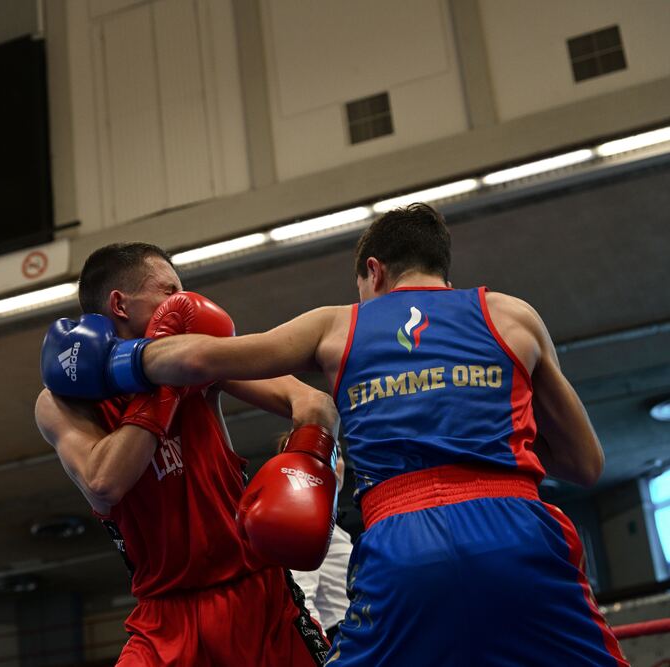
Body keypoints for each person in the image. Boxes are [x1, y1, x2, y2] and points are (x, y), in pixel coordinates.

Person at [64, 206, 628, 666]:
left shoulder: (340, 326)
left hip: (402, 542)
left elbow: (202, 356)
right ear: (444, 270)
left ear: (374, 272)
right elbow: (585, 463)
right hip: (518, 526)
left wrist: (109, 360)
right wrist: (498, 450)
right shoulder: (513, 316)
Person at [35, 242, 335, 666]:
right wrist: (165, 383)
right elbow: (105, 482)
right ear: (120, 304)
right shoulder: (62, 403)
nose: (182, 301)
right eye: (168, 290)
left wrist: (308, 462)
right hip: (165, 620)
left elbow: (312, 402)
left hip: (258, 598)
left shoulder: (201, 360)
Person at [290, 450, 352, 643]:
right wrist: (323, 652)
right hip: (339, 635)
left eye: (338, 454)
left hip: (360, 629)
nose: (333, 463)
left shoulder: (332, 527)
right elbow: (304, 599)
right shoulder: (305, 524)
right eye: (321, 455)